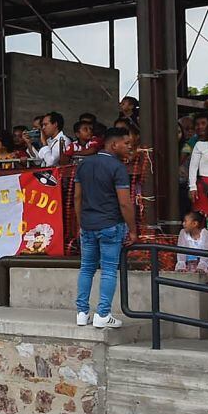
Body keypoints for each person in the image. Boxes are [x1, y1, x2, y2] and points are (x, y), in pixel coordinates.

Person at [72, 127, 137, 328]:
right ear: (113, 144)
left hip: (88, 224)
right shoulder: (118, 168)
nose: (129, 148)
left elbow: (77, 197)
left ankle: (82, 313)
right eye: (126, 144)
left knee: (86, 268)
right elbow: (125, 203)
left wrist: (80, 222)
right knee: (108, 270)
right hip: (110, 224)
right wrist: (133, 229)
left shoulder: (84, 164)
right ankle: (103, 314)